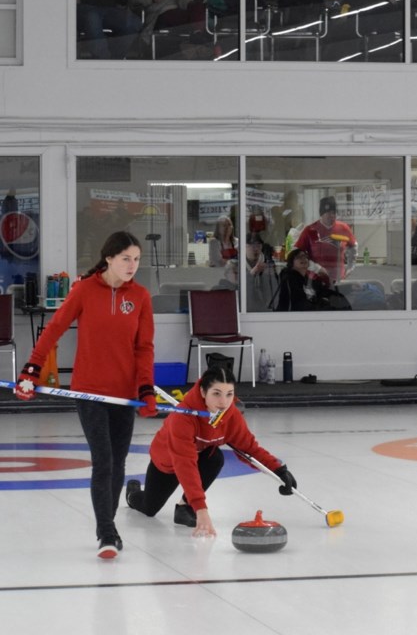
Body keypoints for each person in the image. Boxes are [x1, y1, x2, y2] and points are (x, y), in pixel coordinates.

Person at [14, 231, 156, 558]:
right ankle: (106, 532)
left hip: (123, 394)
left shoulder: (141, 296)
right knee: (103, 460)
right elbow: (54, 329)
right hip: (90, 391)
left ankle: (108, 521)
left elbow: (144, 347)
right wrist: (32, 369)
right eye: (126, 259)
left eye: (136, 259)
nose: (132, 265)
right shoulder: (85, 290)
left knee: (118, 462)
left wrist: (146, 388)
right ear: (109, 258)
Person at [125, 367, 297, 537]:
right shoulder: (182, 418)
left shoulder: (231, 416)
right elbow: (184, 464)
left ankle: (185, 507)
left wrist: (278, 470)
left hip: (200, 455)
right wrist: (201, 509)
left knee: (215, 458)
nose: (223, 402)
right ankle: (132, 493)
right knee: (149, 509)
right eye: (216, 393)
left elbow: (249, 448)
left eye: (229, 394)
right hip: (167, 461)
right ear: (202, 392)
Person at [294, 196, 358, 283]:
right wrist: (317, 268)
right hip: (315, 280)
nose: (331, 216)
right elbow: (296, 254)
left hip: (338, 280)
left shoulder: (343, 228)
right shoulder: (310, 230)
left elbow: (354, 246)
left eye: (334, 213)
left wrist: (351, 265)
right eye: (328, 213)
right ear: (321, 214)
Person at [273, 247, 344, 311]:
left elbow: (323, 291)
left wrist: (340, 296)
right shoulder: (289, 279)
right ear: (291, 263)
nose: (303, 259)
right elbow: (298, 303)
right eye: (298, 257)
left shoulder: (308, 280)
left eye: (305, 257)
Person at [77, 0, 144, 60]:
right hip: (86, 6)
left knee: (134, 23)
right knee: (93, 17)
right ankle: (104, 61)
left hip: (112, 8)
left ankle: (113, 61)